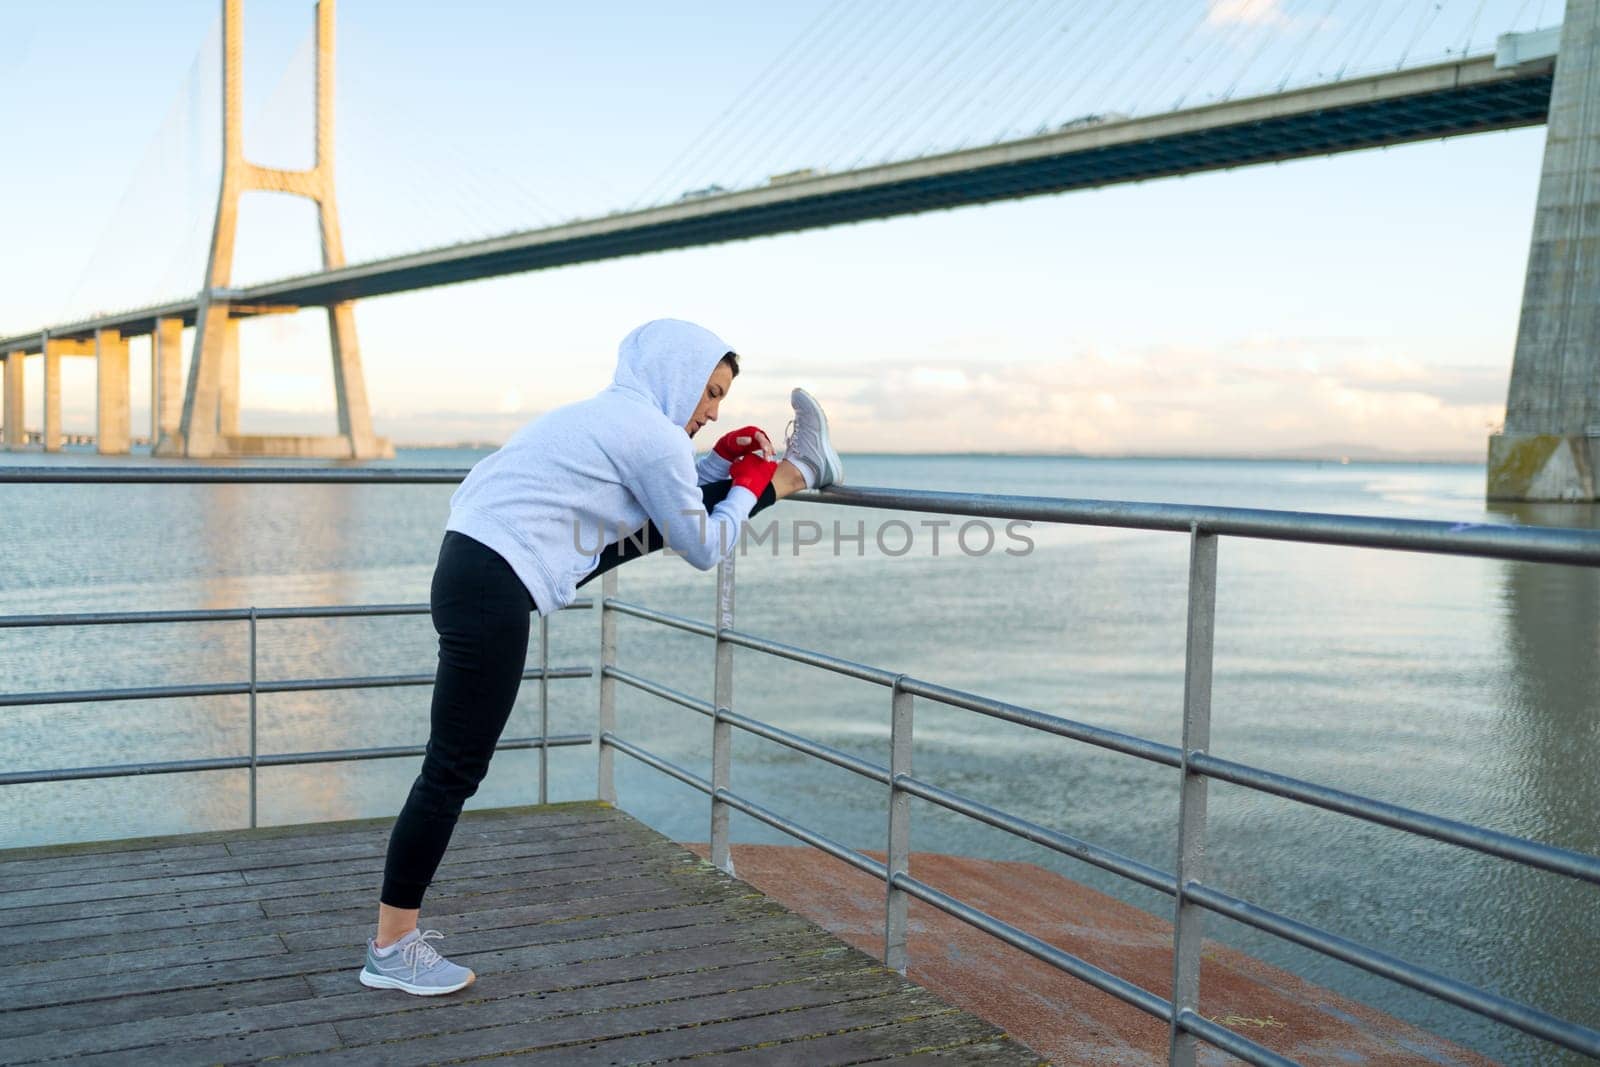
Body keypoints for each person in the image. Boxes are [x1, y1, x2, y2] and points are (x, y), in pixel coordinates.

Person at [358, 318, 843, 995]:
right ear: (676, 376)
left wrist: (724, 469)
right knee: (452, 770)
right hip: (491, 584)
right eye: (709, 392)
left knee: (636, 534)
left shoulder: (615, 415)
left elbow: (649, 507)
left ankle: (802, 469)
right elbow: (702, 545)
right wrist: (748, 478)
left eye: (721, 401)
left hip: (471, 564)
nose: (710, 411)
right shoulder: (650, 434)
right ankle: (391, 945)